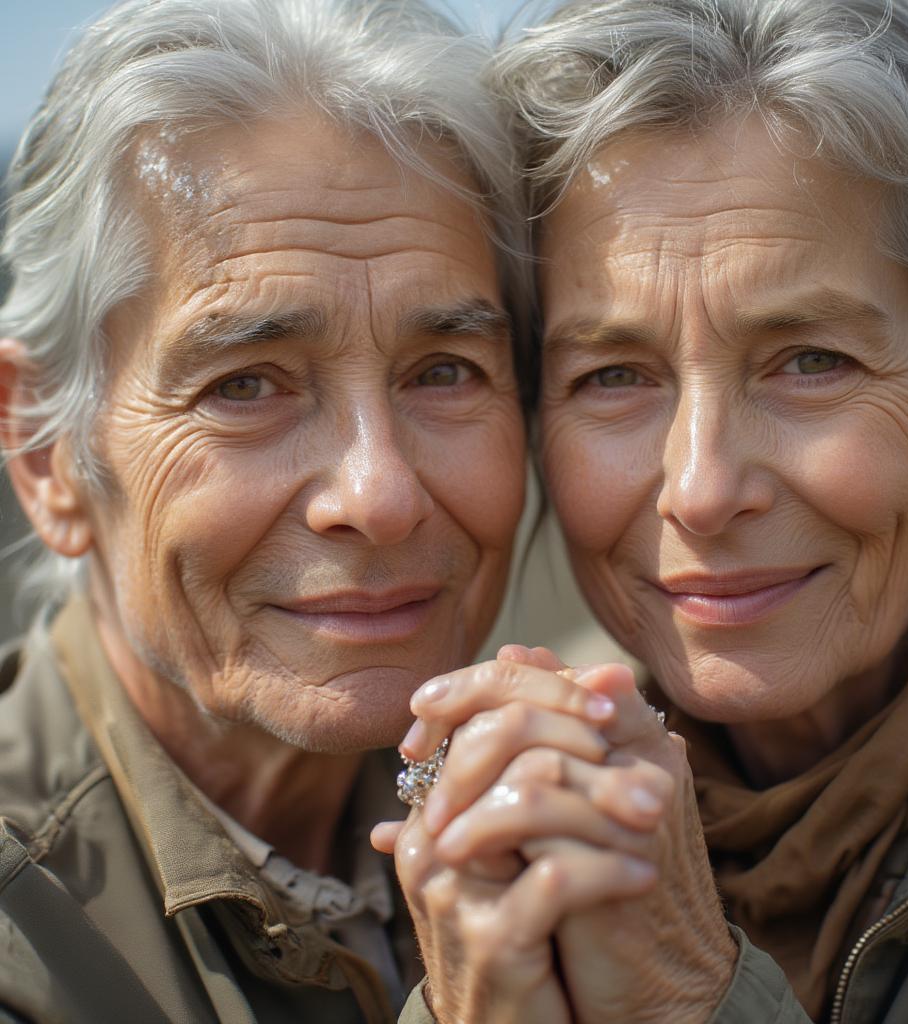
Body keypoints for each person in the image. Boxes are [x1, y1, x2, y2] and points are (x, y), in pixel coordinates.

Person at [378, 0, 908, 1021]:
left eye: (810, 362)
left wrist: (688, 996)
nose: (703, 487)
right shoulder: (478, 821)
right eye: (612, 376)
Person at [0, 0, 561, 1019]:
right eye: (247, 386)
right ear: (46, 454)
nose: (379, 494)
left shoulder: (592, 814)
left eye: (444, 370)